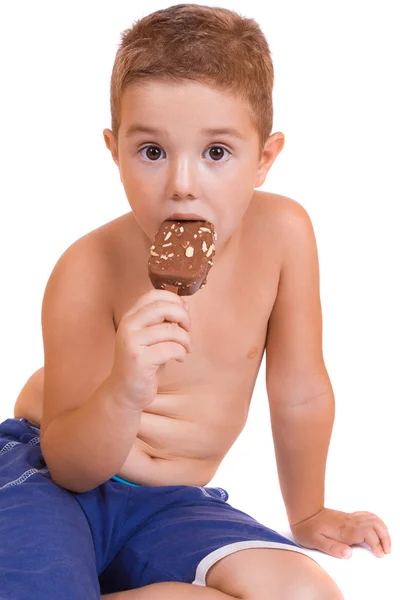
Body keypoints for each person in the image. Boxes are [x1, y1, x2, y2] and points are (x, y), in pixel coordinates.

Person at [1, 4, 390, 599]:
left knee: (309, 595)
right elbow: (71, 464)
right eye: (152, 151)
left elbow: (300, 391)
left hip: (169, 503)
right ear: (115, 151)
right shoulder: (86, 268)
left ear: (264, 158)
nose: (182, 181)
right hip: (50, 475)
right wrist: (124, 389)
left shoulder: (283, 235)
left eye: (216, 152)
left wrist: (307, 512)